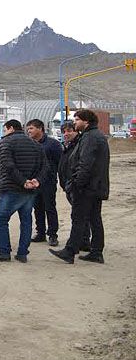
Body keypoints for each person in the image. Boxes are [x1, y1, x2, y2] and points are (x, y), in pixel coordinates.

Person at [50, 109, 109, 264]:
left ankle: (70, 251)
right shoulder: (95, 136)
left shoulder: (90, 137)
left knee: (79, 218)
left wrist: (76, 184)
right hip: (95, 187)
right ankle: (96, 252)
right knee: (94, 219)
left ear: (86, 121)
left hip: (86, 188)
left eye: (76, 120)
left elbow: (85, 164)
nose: (74, 122)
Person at [0, 119, 47, 263]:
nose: (4, 132)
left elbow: (8, 165)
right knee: (26, 220)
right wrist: (37, 180)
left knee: (0, 219)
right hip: (30, 190)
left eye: (5, 129)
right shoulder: (35, 144)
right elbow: (45, 166)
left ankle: (4, 252)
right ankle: (22, 253)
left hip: (11, 188)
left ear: (11, 128)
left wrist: (22, 181)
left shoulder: (6, 143)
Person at [26, 119, 63, 246]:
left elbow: (60, 163)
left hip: (48, 182)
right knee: (37, 208)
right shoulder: (29, 143)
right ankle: (40, 233)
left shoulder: (53, 144)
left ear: (40, 129)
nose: (28, 131)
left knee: (50, 208)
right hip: (34, 182)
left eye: (31, 128)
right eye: (28, 128)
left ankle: (52, 235)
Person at [57, 121, 89, 251]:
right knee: (79, 215)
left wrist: (73, 184)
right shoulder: (67, 145)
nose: (66, 134)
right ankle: (82, 241)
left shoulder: (79, 145)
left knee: (80, 216)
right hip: (68, 186)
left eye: (69, 131)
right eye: (64, 131)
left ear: (77, 131)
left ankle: (83, 242)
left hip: (75, 186)